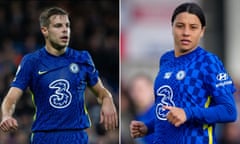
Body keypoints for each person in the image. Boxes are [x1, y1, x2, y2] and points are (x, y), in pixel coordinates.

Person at [0, 7, 118, 144]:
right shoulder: (31, 62)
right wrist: (6, 115)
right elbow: (11, 98)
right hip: (44, 137)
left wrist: (108, 98)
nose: (64, 30)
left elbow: (100, 92)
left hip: (76, 136)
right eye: (58, 26)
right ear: (45, 31)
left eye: (67, 26)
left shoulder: (82, 58)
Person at [130, 2, 237, 144]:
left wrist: (188, 113)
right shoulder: (166, 60)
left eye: (193, 27)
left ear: (202, 31)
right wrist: (148, 127)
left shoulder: (208, 62)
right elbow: (170, 110)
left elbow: (229, 111)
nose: (186, 32)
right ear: (172, 27)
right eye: (180, 26)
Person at [128, 73, 155, 144]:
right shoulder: (137, 117)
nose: (136, 94)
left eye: (140, 89)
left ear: (152, 89)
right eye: (133, 90)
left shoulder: (162, 115)